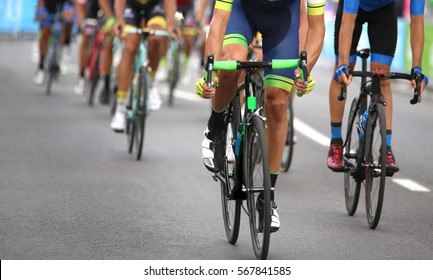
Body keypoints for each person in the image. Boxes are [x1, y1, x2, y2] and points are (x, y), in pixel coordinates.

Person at [196, 0, 325, 232]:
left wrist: (306, 70)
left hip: (283, 19)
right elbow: (218, 22)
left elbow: (317, 27)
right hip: (242, 11)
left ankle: (267, 199)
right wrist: (211, 73)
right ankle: (215, 126)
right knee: (230, 63)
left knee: (277, 103)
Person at [327, 0, 429, 175]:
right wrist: (343, 64)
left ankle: (386, 149)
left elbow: (417, 22)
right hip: (353, 11)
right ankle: (335, 143)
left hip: (383, 12)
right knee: (343, 73)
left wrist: (417, 68)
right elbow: (348, 22)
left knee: (383, 78)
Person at [110, 0, 177, 132]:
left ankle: (151, 83)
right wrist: (119, 21)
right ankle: (120, 108)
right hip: (131, 6)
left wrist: (170, 26)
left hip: (154, 6)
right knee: (130, 46)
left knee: (156, 38)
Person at [33, 0, 76, 86]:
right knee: (45, 32)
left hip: (65, 4)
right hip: (49, 4)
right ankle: (41, 67)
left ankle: (67, 44)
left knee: (69, 19)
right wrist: (41, 7)